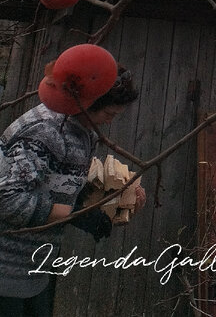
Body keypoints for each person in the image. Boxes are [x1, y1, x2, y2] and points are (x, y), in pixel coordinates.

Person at [0, 66, 141, 316]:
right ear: (88, 102)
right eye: (109, 112)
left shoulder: (82, 131)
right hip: (6, 270)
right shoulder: (47, 130)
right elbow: (7, 199)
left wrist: (114, 198)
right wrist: (74, 214)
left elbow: (55, 182)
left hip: (33, 267)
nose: (111, 120)